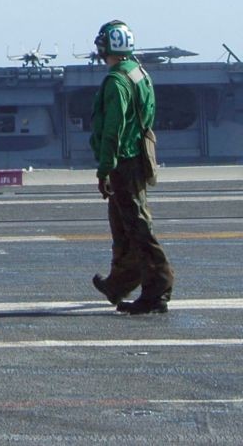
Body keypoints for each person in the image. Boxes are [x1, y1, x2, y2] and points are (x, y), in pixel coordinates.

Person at [89, 19, 175, 314]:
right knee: (122, 225)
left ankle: (158, 288)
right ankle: (119, 283)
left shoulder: (116, 80)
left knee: (137, 225)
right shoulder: (139, 73)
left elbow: (113, 128)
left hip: (122, 162)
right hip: (137, 155)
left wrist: (104, 169)